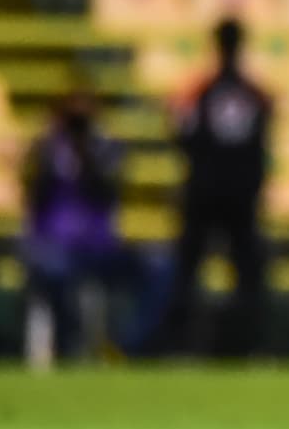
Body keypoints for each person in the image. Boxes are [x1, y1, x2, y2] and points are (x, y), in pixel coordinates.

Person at [21, 90, 164, 359]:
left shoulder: (106, 148)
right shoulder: (47, 149)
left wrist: (84, 152)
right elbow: (33, 194)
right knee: (52, 271)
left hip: (100, 248)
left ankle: (125, 345)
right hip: (56, 247)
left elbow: (106, 190)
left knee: (159, 265)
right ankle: (67, 345)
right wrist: (51, 151)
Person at [162, 18, 272, 355]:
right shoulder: (255, 95)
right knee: (247, 274)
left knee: (188, 272)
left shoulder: (200, 92)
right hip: (238, 196)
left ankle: (179, 347)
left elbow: (181, 136)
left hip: (204, 193)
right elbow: (261, 147)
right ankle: (249, 348)